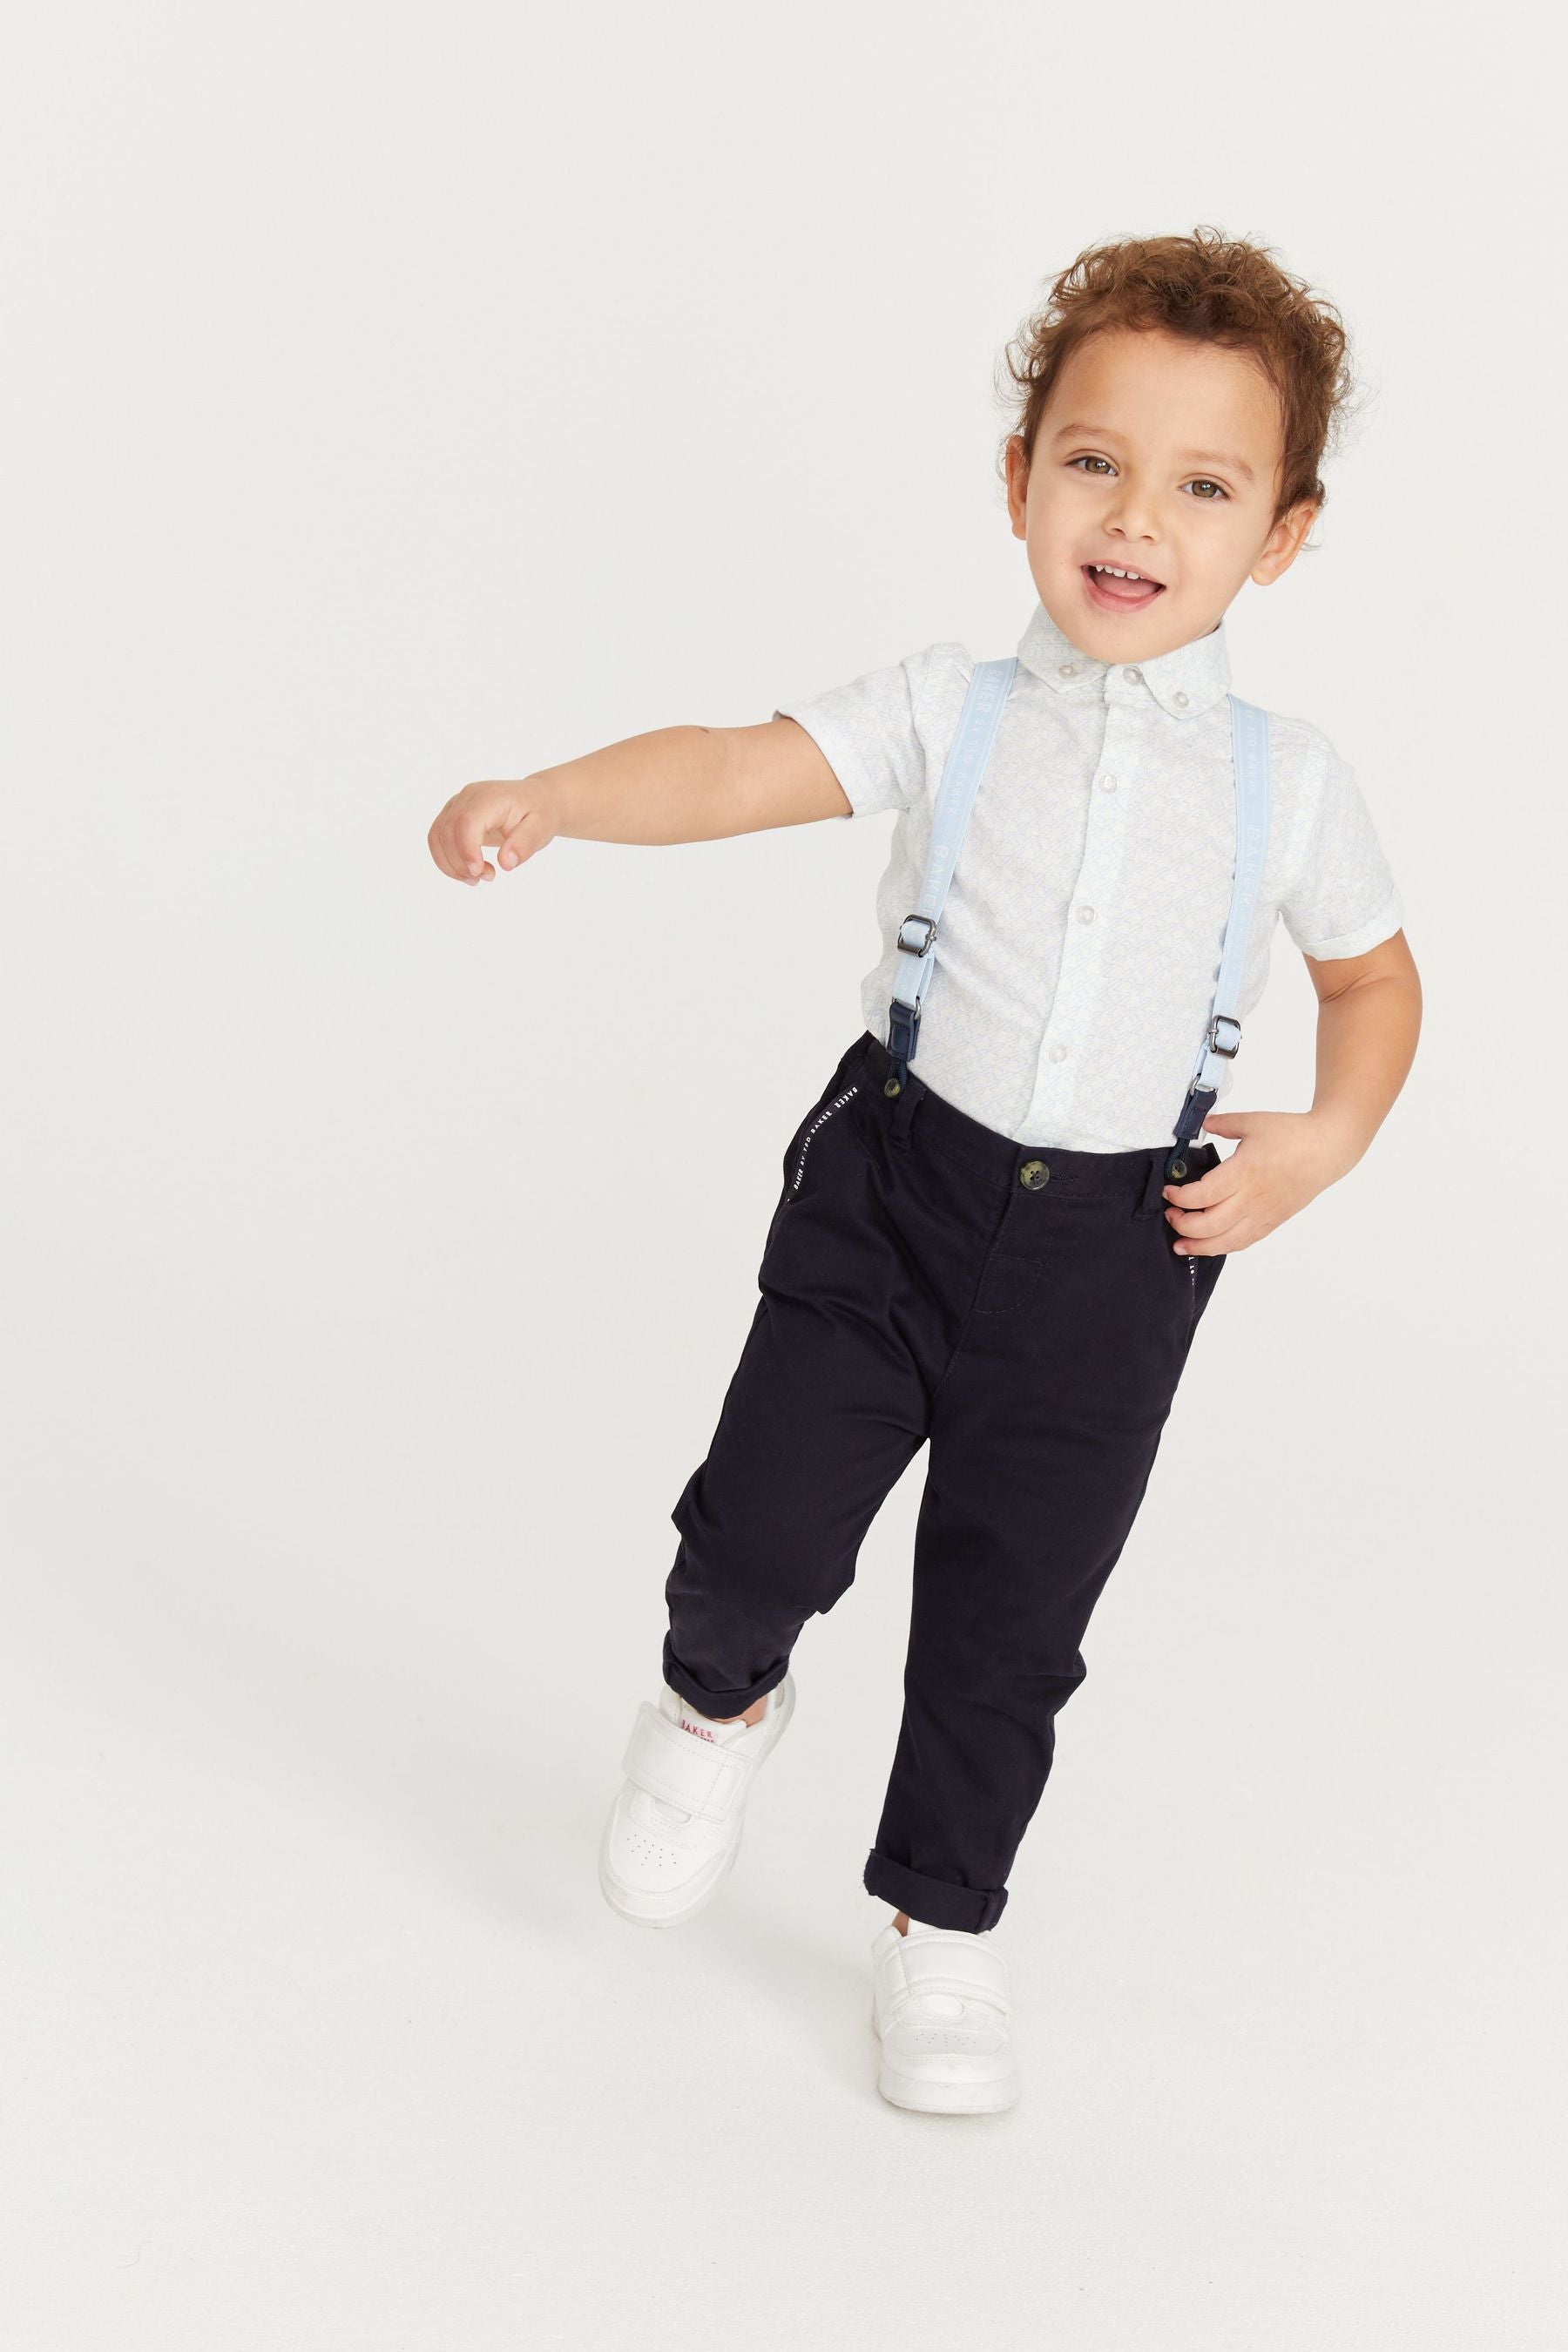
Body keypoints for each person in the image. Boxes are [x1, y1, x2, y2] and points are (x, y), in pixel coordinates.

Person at [426, 227, 1422, 2115]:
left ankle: (941, 1927)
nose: (1136, 518)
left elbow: (1371, 979)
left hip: (1121, 1256)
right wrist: (555, 794)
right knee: (755, 1530)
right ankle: (718, 1698)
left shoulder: (1290, 783)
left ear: (1281, 535)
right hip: (895, 1187)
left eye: (1203, 486)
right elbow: (730, 768)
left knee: (1010, 1618)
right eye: (1095, 462)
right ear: (1021, 475)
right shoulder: (946, 706)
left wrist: (1329, 1137)